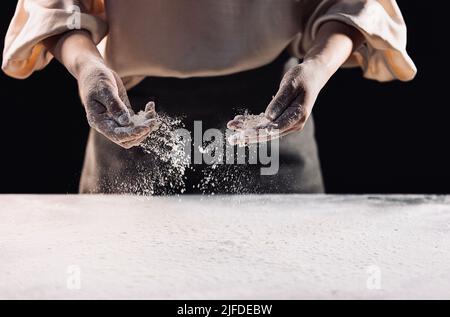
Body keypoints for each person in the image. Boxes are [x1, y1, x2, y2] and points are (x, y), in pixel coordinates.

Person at [2, 0, 416, 195]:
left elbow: (355, 4)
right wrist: (87, 67)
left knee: (288, 280)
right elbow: (56, 7)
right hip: (133, 123)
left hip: (269, 116)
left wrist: (318, 66)